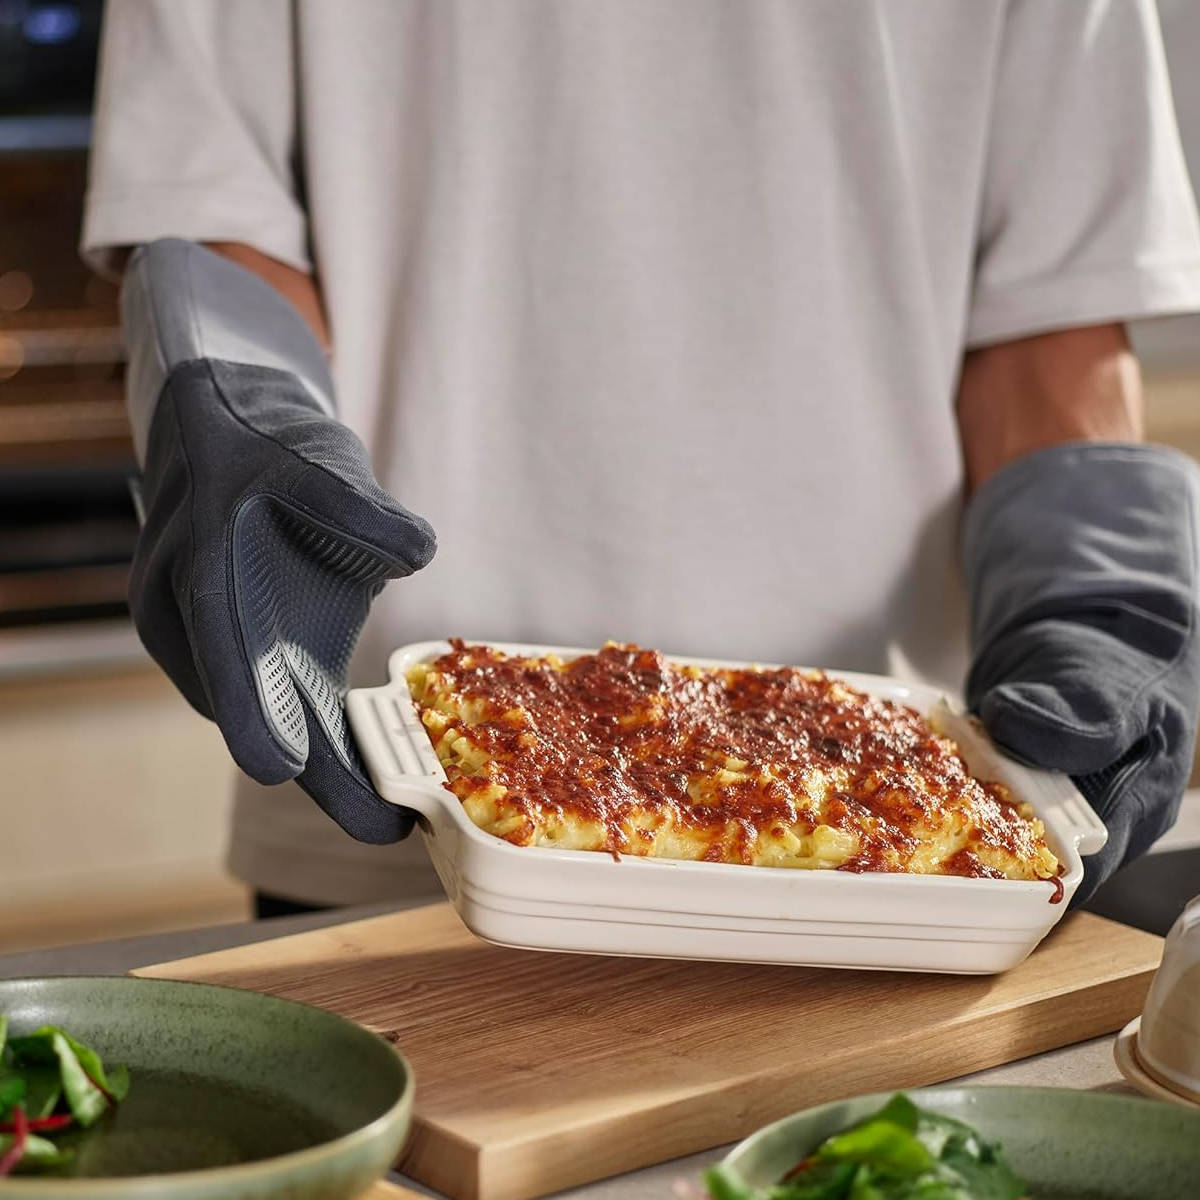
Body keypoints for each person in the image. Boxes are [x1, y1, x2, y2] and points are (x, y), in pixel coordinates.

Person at [83, 1, 1200, 916]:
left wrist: (1098, 597)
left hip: (898, 852)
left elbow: (1052, 320)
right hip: (378, 787)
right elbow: (210, 211)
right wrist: (240, 415)